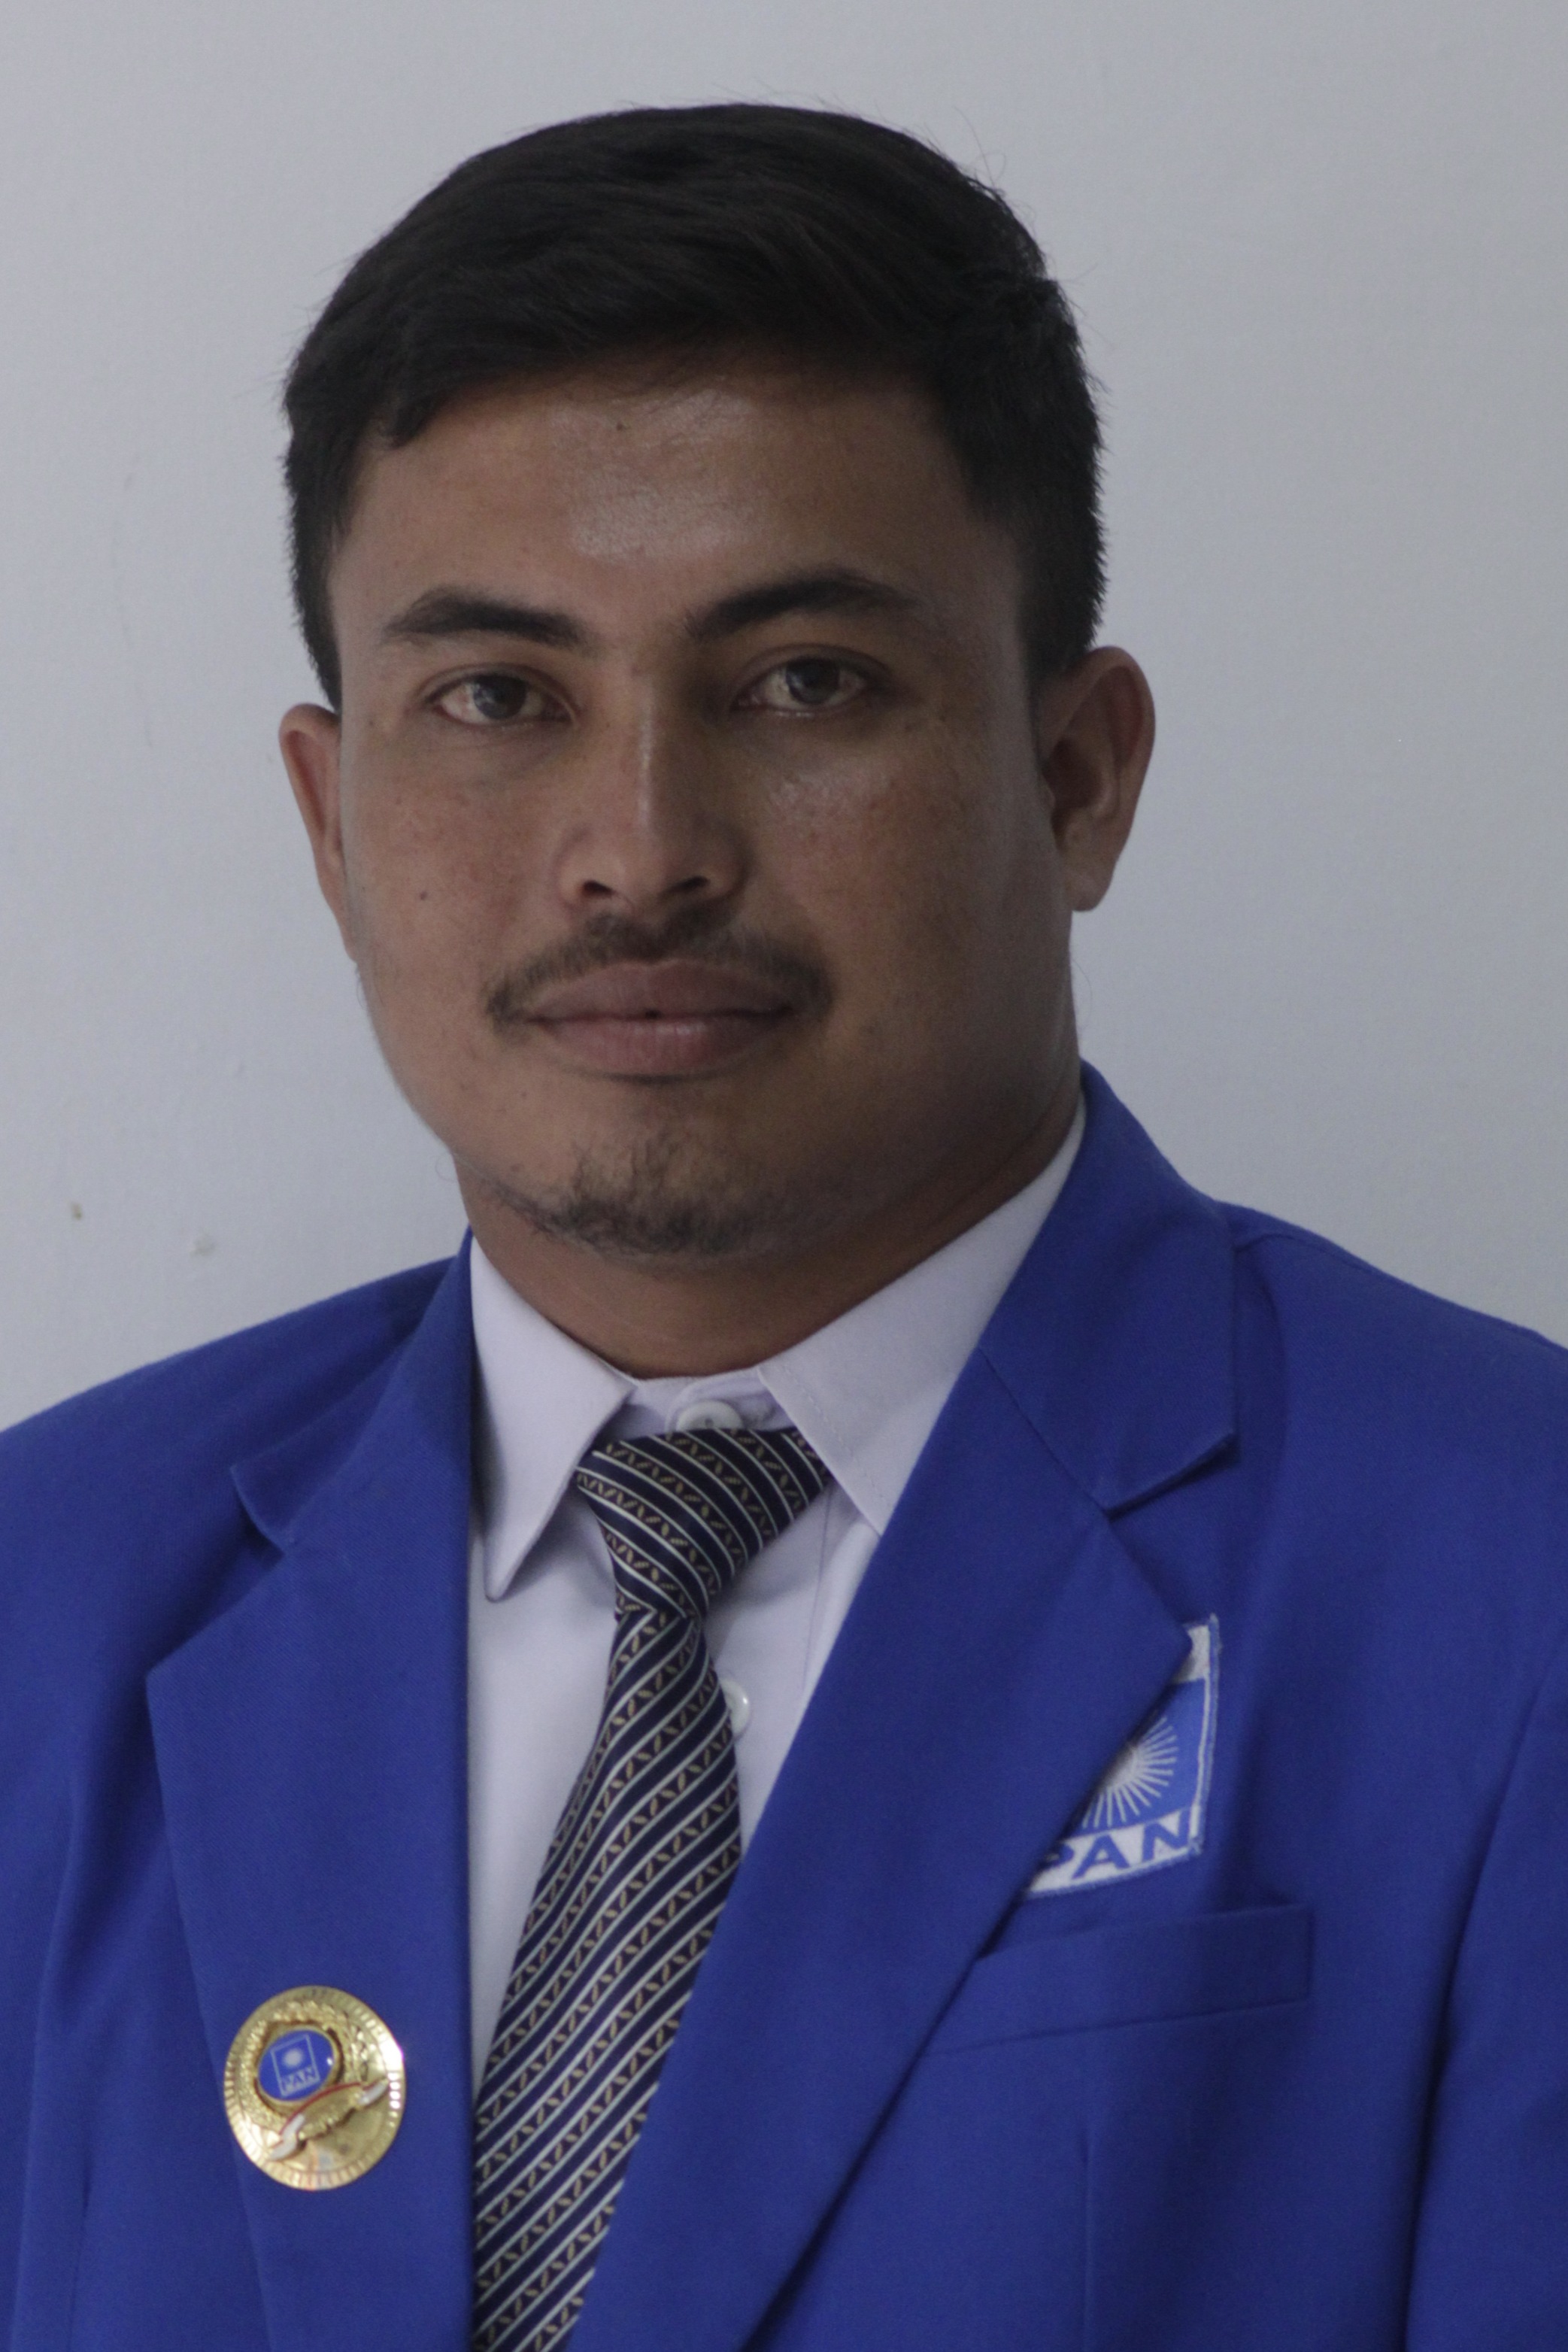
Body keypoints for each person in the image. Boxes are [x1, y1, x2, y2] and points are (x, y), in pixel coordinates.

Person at [2, 101, 1565, 2352]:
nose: (641, 850)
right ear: (332, 824)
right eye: (498, 698)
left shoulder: (1514, 1586)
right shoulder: (48, 1595)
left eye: (805, 682)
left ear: (1081, 774)